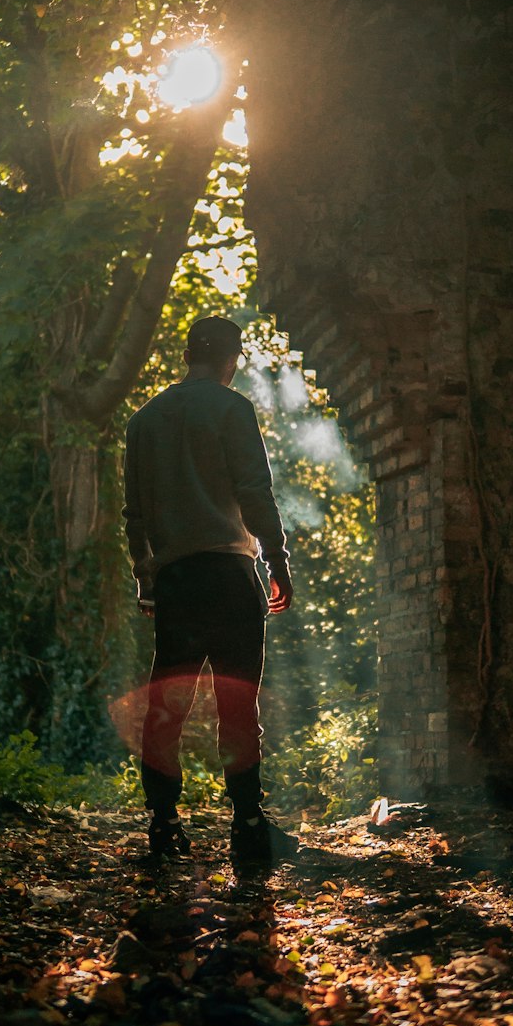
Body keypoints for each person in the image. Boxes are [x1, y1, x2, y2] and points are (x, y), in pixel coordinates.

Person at [122, 315, 298, 862]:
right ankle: (247, 823)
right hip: (228, 575)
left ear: (186, 356)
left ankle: (162, 824)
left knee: (167, 706)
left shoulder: (144, 421)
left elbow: (135, 514)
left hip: (176, 580)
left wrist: (146, 578)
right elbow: (253, 490)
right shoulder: (232, 409)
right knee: (237, 706)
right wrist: (277, 558)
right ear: (231, 358)